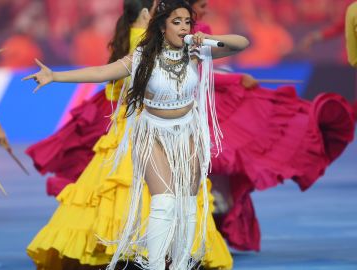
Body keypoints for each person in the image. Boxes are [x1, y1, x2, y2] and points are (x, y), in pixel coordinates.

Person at [24, 1, 249, 269]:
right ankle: (155, 265)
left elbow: (241, 43)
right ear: (162, 26)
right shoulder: (143, 55)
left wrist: (206, 38)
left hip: (187, 132)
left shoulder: (196, 50)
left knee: (188, 205)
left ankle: (181, 265)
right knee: (164, 203)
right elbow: (101, 72)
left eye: (188, 22)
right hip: (152, 133)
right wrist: (55, 77)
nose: (183, 28)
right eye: (176, 22)